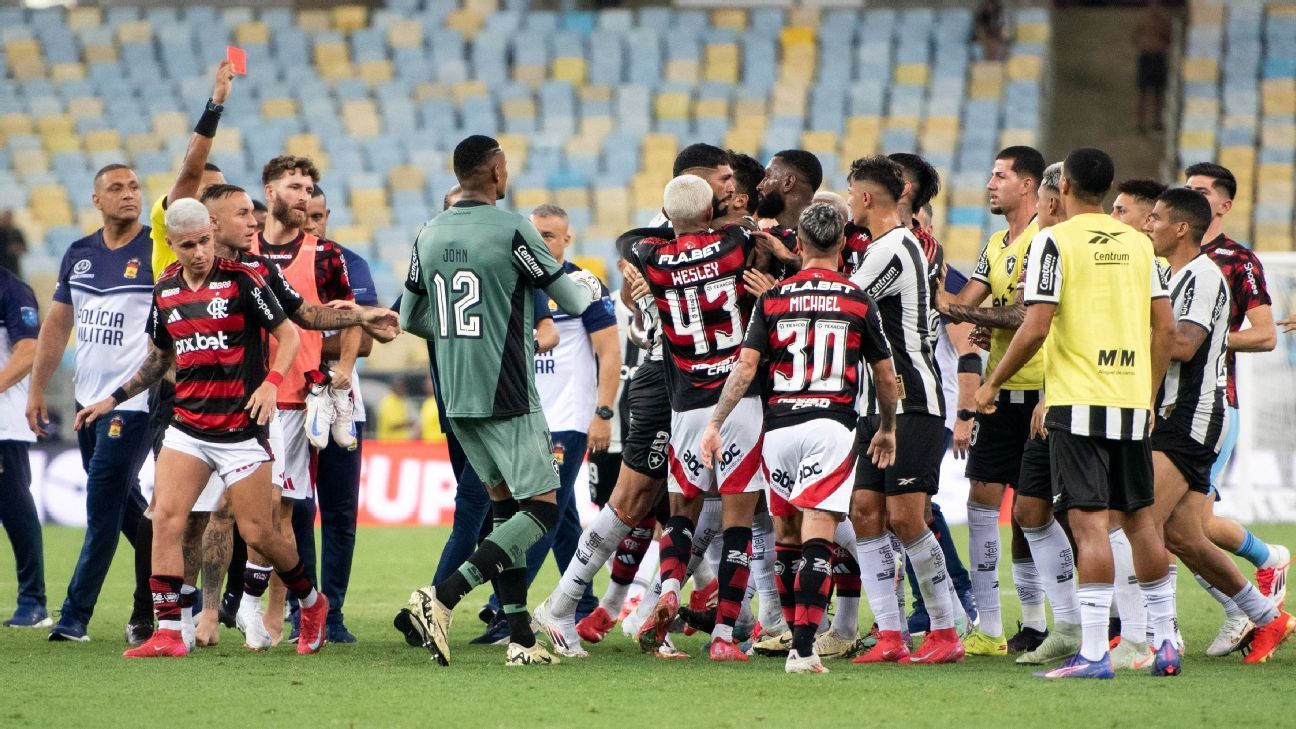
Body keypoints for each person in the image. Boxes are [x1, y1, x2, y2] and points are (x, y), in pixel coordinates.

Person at [75, 198, 327, 659]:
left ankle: (311, 602)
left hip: (241, 430)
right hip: (187, 427)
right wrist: (111, 400)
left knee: (259, 534)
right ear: (171, 244)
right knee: (165, 521)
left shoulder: (244, 281)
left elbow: (289, 333)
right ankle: (170, 632)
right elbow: (158, 359)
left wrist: (272, 384)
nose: (198, 252)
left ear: (213, 233)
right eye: (187, 245)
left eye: (204, 242)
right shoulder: (166, 288)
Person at [976, 147, 1178, 679]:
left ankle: (1093, 653)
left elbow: (1037, 323)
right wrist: (1150, 395)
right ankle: (1165, 641)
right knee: (1140, 522)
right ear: (1108, 189)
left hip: (1077, 400)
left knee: (1088, 526)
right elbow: (1165, 329)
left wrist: (991, 382)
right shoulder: (1140, 243)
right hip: (1132, 399)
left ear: (1062, 186)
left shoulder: (1053, 240)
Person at [398, 135, 598, 667]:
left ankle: (522, 640)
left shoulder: (429, 231)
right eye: (504, 165)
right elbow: (573, 298)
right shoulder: (514, 229)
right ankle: (440, 597)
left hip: (456, 393)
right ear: (494, 172)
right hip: (507, 389)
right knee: (541, 510)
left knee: (504, 508)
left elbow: (410, 319)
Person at [189, 184, 395, 650]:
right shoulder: (186, 275)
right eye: (244, 214)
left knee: (274, 517)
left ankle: (275, 605)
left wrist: (363, 317)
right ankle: (192, 616)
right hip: (210, 407)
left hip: (282, 402)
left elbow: (301, 321)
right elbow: (166, 344)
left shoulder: (265, 270)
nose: (254, 222)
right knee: (191, 513)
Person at [702, 202, 898, 674]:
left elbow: (746, 367)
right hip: (829, 425)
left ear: (801, 245)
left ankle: (795, 640)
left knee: (786, 536)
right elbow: (887, 377)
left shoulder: (773, 299)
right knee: (819, 532)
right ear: (839, 244)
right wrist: (888, 427)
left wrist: (715, 421)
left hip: (778, 429)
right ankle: (805, 650)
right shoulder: (856, 298)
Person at [1143, 187, 1293, 666]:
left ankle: (1153, 639)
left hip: (1189, 416)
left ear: (1181, 228)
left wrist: (1127, 336)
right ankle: (1267, 617)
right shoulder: (1178, 274)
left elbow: (1184, 344)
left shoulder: (1203, 276)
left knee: (1140, 521)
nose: (1149, 226)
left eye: (1157, 219)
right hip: (1181, 414)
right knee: (1184, 534)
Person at [620, 174, 765, 662]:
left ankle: (667, 592)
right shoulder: (734, 244)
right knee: (737, 521)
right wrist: (728, 215)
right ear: (709, 214)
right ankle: (724, 634)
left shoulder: (651, 257)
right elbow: (755, 230)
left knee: (680, 515)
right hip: (737, 401)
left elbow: (630, 243)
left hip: (684, 405)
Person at [28, 164, 155, 643]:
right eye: (116, 188)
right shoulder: (78, 254)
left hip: (132, 402)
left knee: (101, 509)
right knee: (127, 508)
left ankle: (73, 618)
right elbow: (58, 326)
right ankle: (167, 577)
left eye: (134, 187)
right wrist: (37, 387)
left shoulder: (156, 250)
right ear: (97, 200)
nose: (129, 195)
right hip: (86, 405)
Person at [479, 205, 617, 635]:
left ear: (567, 239)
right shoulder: (516, 281)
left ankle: (505, 608)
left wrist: (603, 413)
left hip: (569, 418)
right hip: (527, 414)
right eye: (536, 235)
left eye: (551, 235)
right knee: (563, 515)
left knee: (538, 512)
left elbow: (609, 351)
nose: (543, 243)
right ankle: (582, 600)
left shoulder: (581, 285)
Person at [846, 156, 959, 664]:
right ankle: (891, 635)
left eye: (851, 194)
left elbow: (843, 303)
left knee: (908, 517)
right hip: (877, 403)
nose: (848, 202)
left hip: (913, 401)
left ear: (867, 199)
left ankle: (945, 632)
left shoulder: (893, 248)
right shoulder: (881, 247)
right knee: (865, 513)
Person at [937, 146, 1048, 656]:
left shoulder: (1044, 243)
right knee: (982, 496)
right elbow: (972, 304)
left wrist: (965, 313)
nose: (990, 184)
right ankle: (989, 625)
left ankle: (1041, 620)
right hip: (999, 395)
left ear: (1027, 185)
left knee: (1034, 510)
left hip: (1044, 391)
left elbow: (1025, 315)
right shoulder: (995, 244)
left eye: (1000, 176)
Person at [251, 155, 358, 642]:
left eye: (310, 188)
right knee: (225, 513)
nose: (304, 196)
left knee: (280, 510)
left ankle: (276, 612)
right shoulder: (238, 249)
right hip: (235, 396)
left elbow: (348, 316)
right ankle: (203, 615)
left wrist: (346, 369)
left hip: (292, 399)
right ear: (269, 191)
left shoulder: (325, 255)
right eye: (294, 186)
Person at [1185, 162, 1288, 654]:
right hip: (1170, 407)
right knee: (1190, 526)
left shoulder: (1236, 260)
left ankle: (1246, 608)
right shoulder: (1167, 257)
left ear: (1224, 205)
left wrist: (1205, 339)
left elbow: (1266, 334)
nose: (1192, 198)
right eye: (1186, 190)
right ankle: (1267, 562)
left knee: (1173, 525)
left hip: (1213, 405)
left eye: (1202, 192)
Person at [0, 267, 44, 626]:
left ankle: (34, 601)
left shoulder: (12, 290)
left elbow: (29, 351)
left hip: (3, 424)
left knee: (15, 511)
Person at [1133, 0, 1172, 134]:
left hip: (1158, 57)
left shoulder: (1164, 19)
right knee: (1143, 92)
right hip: (1147, 57)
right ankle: (1141, 123)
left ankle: (1157, 121)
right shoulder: (1143, 18)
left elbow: (1168, 37)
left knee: (1158, 92)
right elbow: (1135, 36)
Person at [0, 209, 28, 278]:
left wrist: (16, 248)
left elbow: (25, 249)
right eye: (5, 218)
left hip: (13, 269)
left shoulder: (16, 232)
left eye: (9, 218)